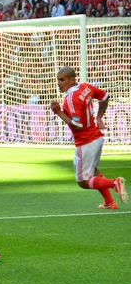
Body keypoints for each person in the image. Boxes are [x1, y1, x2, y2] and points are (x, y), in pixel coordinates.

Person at [50, 67, 128, 209]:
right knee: (93, 171)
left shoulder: (71, 99)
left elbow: (77, 125)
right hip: (96, 138)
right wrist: (99, 118)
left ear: (72, 80)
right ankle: (109, 202)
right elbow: (104, 97)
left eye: (62, 80)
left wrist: (58, 112)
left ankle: (114, 183)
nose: (59, 83)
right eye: (58, 80)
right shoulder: (86, 87)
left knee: (83, 181)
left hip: (85, 142)